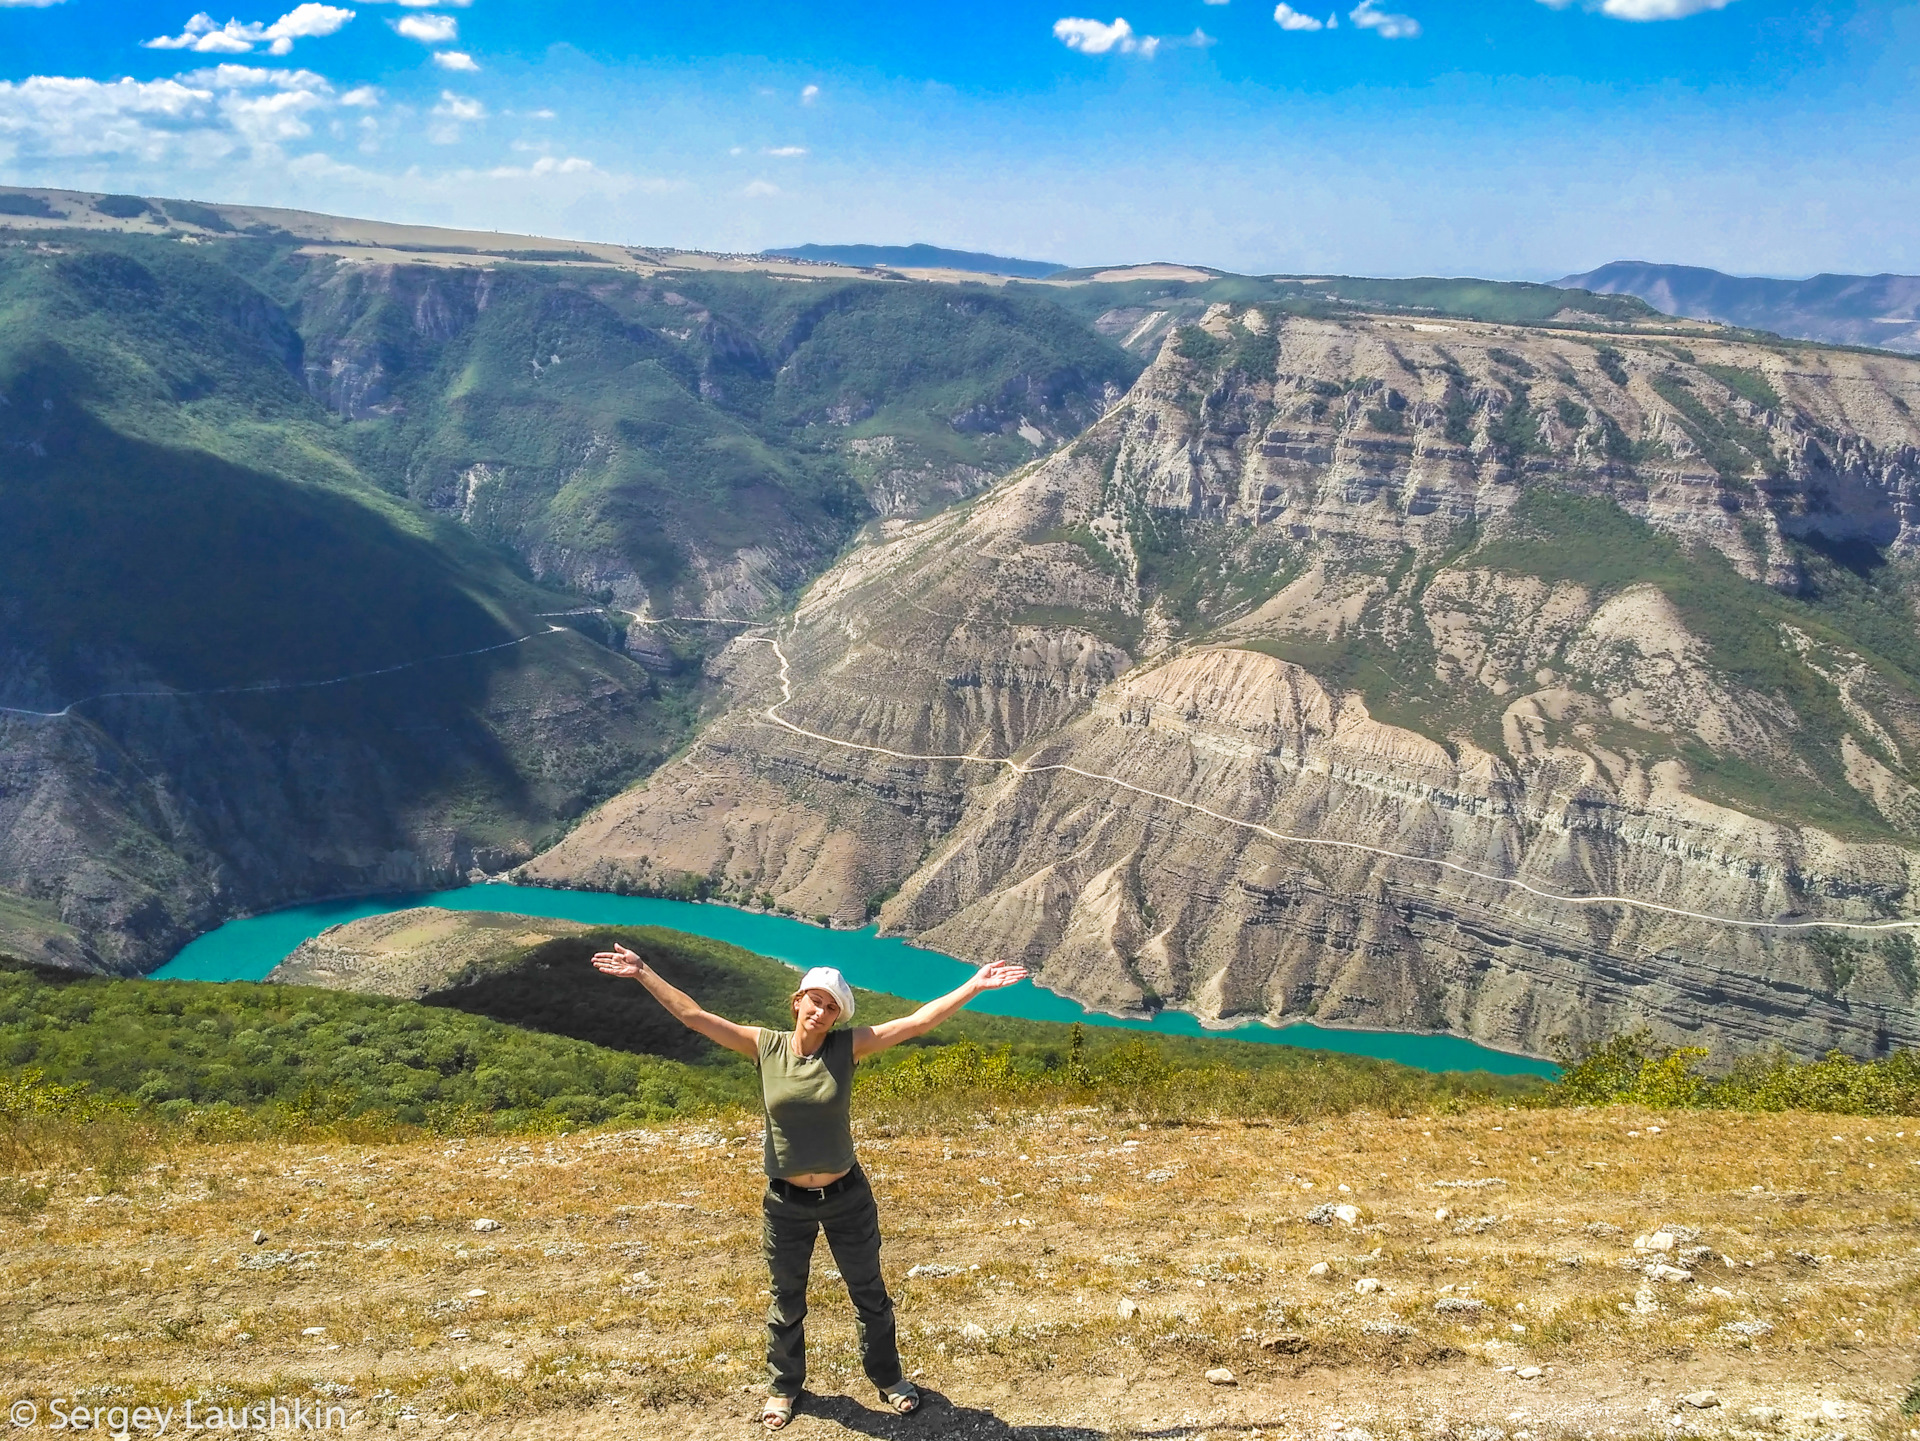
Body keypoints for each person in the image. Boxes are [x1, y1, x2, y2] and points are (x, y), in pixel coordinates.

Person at [589, 939, 1029, 1431]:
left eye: (830, 1006)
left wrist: (973, 984)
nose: (820, 1011)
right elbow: (694, 1016)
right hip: (786, 1203)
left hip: (847, 1198)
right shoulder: (765, 1045)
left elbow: (918, 1022)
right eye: (814, 1000)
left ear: (838, 1017)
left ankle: (889, 1379)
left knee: (869, 1294)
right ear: (796, 1001)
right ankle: (784, 1388)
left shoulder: (847, 1047)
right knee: (786, 1300)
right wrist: (642, 970)